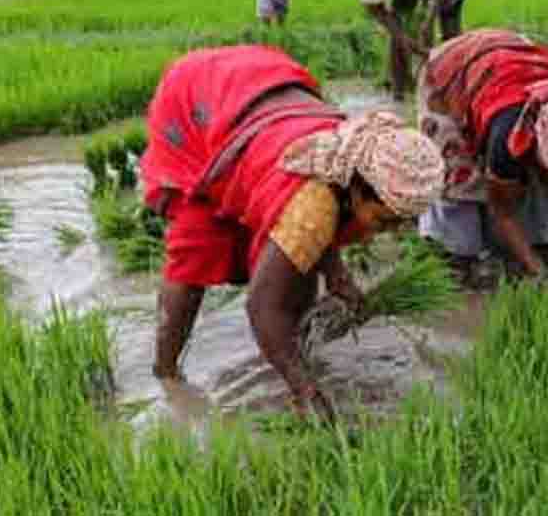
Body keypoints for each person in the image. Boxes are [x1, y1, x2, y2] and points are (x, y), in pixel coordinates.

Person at [140, 45, 445, 417]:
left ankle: (289, 350)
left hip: (260, 86)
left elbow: (327, 225)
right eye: (384, 221)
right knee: (197, 248)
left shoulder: (352, 156)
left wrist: (336, 275)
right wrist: (303, 389)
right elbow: (261, 306)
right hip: (200, 102)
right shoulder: (314, 206)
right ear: (355, 187)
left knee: (297, 267)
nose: (390, 233)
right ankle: (166, 374)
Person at [416, 29, 548, 286]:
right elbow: (501, 210)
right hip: (451, 73)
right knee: (460, 179)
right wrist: (538, 272)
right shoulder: (507, 136)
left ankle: (516, 246)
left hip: (511, 63)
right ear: (536, 135)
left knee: (530, 183)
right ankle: (452, 249)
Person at [351, 0, 471, 101]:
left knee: (449, 19)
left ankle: (454, 85)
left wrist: (429, 18)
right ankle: (401, 88)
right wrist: (408, 42)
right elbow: (377, 10)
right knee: (401, 15)